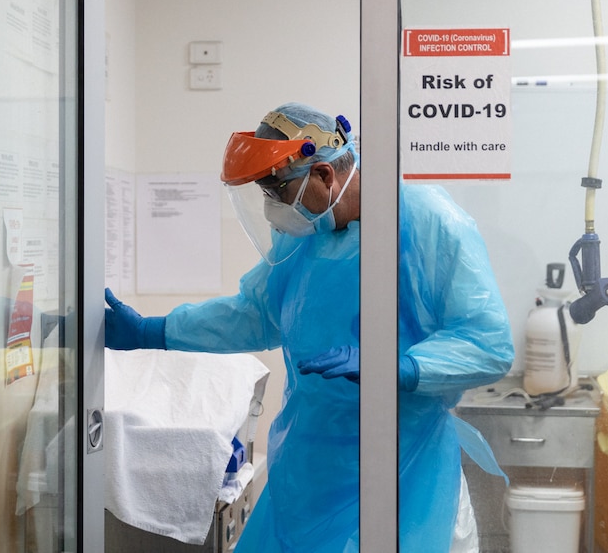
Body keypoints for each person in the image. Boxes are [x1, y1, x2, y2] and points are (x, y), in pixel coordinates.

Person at [105, 102, 514, 552]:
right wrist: (154, 332)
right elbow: (255, 314)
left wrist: (398, 368)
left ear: (324, 176)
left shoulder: (426, 223)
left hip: (404, 466)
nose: (274, 208)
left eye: (279, 191)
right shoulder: (305, 236)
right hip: (311, 468)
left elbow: (488, 344)